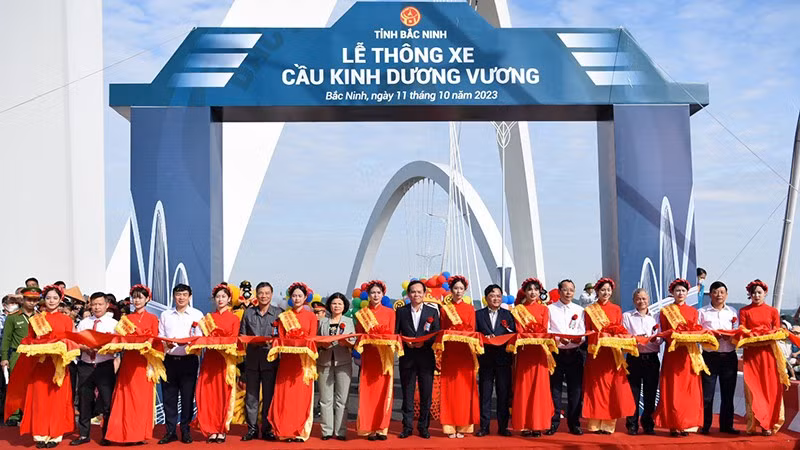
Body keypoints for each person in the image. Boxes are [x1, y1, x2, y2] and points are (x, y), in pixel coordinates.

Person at [16, 285, 75, 447]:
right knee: (40, 401)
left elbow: (71, 341)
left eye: (55, 298)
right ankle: (40, 435)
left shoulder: (66, 320)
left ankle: (55, 435)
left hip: (58, 367)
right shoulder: (36, 319)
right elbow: (29, 340)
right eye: (48, 298)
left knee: (56, 401)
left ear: (60, 299)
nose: (51, 301)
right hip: (40, 366)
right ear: (44, 299)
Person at [105, 284, 162, 445]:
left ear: (147, 299)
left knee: (142, 399)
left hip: (144, 362)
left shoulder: (152, 319)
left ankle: (140, 433)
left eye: (140, 297)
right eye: (135, 297)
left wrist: (146, 344)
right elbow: (119, 339)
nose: (137, 300)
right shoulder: (126, 320)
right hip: (129, 361)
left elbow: (155, 339)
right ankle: (125, 433)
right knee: (127, 397)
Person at [654, 278, 711, 436]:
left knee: (688, 390)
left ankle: (685, 424)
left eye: (683, 291)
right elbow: (663, 333)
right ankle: (673, 424)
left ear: (687, 294)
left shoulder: (694, 312)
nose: (680, 293)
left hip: (689, 356)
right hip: (673, 355)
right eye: (677, 290)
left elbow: (698, 330)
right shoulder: (665, 312)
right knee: (674, 389)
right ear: (672, 293)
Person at [582, 277, 635, 434]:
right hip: (596, 354)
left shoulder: (617, 309)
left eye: (608, 290)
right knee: (596, 388)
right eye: (602, 290)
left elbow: (619, 329)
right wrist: (599, 337)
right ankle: (593, 424)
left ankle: (608, 425)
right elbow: (587, 331)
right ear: (597, 291)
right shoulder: (589, 310)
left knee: (611, 388)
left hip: (612, 354)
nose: (605, 293)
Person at [268, 282, 318, 442]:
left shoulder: (311, 316)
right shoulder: (283, 317)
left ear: (305, 298)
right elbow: (280, 338)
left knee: (301, 397)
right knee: (286, 397)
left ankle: (300, 431)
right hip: (287, 362)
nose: (297, 298)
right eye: (294, 296)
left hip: (303, 364)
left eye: (300, 296)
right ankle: (285, 430)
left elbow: (312, 339)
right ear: (290, 298)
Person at [191, 284, 241, 443]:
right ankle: (211, 429)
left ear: (228, 299)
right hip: (210, 361)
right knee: (209, 396)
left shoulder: (234, 318)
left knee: (223, 395)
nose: (220, 300)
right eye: (218, 297)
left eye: (223, 297)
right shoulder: (207, 319)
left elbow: (235, 341)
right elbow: (199, 337)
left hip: (225, 362)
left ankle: (221, 428)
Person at [738, 280, 786, 436]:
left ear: (765, 293)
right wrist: (751, 335)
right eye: (753, 293)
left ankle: (769, 424)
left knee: (769, 389)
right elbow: (742, 329)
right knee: (753, 389)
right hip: (752, 355)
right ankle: (753, 423)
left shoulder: (772, 311)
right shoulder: (744, 311)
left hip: (768, 354)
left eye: (759, 292)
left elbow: (777, 330)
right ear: (749, 295)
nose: (756, 295)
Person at [71, 292, 119, 446]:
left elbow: (118, 345)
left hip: (104, 365)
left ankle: (107, 434)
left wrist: (104, 347)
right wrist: (85, 347)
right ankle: (84, 435)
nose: (97, 307)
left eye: (100, 304)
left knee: (107, 403)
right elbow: (76, 342)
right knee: (85, 401)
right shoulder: (84, 323)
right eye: (94, 304)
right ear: (90, 305)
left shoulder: (114, 324)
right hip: (85, 365)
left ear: (107, 305)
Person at [158, 283, 204, 444]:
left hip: (189, 361)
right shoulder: (165, 315)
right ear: (173, 296)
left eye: (184, 294)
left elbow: (199, 339)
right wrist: (165, 345)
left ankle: (185, 430)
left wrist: (191, 346)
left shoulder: (197, 315)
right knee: (169, 397)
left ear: (190, 296)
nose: (181, 297)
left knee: (187, 397)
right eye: (178, 294)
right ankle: (170, 431)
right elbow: (161, 336)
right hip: (169, 360)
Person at [353, 280, 398, 440]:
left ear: (383, 294)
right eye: (373, 293)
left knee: (384, 392)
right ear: (368, 295)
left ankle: (382, 428)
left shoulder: (390, 313)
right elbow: (359, 335)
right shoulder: (362, 313)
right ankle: (369, 428)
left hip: (384, 358)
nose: (376, 295)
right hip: (369, 357)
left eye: (378, 293)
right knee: (368, 393)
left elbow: (392, 335)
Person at [396, 279, 440, 439]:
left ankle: (423, 426)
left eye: (419, 292)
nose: (416, 294)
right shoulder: (401, 311)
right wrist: (404, 341)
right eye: (413, 292)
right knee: (407, 393)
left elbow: (436, 333)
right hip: (407, 357)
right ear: (408, 294)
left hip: (426, 357)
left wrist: (424, 342)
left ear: (424, 294)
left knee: (426, 393)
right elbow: (396, 333)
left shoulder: (432, 312)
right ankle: (407, 427)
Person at [437, 275, 480, 438]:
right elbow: (441, 330)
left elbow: (473, 330)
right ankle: (449, 426)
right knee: (450, 389)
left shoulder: (470, 309)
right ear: (451, 290)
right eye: (455, 288)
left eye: (461, 289)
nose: (458, 291)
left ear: (465, 291)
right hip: (450, 353)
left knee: (464, 390)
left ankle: (463, 426)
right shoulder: (444, 309)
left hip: (465, 354)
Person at [510, 277, 553, 437]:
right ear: (525, 292)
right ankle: (524, 425)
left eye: (536, 290)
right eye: (530, 290)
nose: (533, 292)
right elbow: (519, 330)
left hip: (540, 353)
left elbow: (545, 328)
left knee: (539, 388)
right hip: (525, 352)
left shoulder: (544, 309)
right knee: (525, 387)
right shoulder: (518, 310)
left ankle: (538, 424)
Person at [239, 281, 282, 442]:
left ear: (271, 294)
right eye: (261, 293)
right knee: (251, 396)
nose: (264, 296)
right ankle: (251, 429)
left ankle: (267, 429)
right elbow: (242, 335)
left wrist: (274, 342)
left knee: (269, 396)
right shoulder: (248, 313)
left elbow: (283, 337)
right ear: (256, 295)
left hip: (270, 361)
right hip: (251, 360)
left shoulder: (279, 313)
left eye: (267, 293)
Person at [698, 281, 740, 435]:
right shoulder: (702, 312)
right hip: (709, 357)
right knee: (707, 394)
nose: (719, 295)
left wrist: (731, 337)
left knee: (728, 394)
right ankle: (705, 425)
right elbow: (697, 334)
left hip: (729, 356)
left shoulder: (733, 312)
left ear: (726, 294)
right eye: (715, 292)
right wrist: (710, 336)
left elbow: (738, 333)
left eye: (722, 292)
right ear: (710, 294)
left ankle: (727, 426)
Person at [475, 284, 515, 437]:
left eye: (499, 296)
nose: (496, 298)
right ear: (486, 298)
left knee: (503, 394)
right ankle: (484, 427)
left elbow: (513, 333)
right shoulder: (478, 315)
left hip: (503, 359)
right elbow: (475, 333)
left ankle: (503, 427)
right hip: (486, 359)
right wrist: (485, 338)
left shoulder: (508, 315)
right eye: (493, 295)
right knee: (485, 394)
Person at [547, 279, 586, 435]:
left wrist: (578, 338)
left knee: (575, 390)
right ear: (559, 291)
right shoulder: (549, 309)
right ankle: (553, 422)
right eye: (565, 289)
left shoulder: (580, 309)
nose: (568, 293)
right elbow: (547, 329)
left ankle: (574, 423)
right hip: (556, 353)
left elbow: (583, 331)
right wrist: (557, 339)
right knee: (555, 390)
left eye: (571, 290)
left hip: (574, 353)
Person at [621, 289, 660, 435]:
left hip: (651, 358)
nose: (641, 301)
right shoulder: (627, 316)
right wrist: (636, 338)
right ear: (633, 300)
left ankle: (648, 423)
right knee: (633, 393)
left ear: (648, 299)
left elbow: (661, 338)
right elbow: (623, 336)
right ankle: (632, 424)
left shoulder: (656, 316)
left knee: (650, 394)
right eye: (638, 299)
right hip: (634, 358)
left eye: (644, 298)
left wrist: (655, 339)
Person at [316, 293, 354, 440]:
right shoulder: (322, 322)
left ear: (344, 306)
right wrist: (321, 343)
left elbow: (353, 340)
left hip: (343, 361)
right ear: (329, 306)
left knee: (342, 399)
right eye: (334, 303)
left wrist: (347, 343)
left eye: (339, 304)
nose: (336, 306)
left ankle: (340, 431)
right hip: (324, 361)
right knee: (325, 399)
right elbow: (316, 340)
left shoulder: (349, 321)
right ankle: (326, 431)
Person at [1, 290, 37, 426]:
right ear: (22, 300)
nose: (31, 302)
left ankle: (29, 412)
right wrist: (4, 357)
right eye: (28, 299)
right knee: (15, 384)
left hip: (35, 354)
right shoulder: (13, 317)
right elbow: (6, 339)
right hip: (17, 353)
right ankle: (14, 414)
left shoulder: (39, 317)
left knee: (32, 385)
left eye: (34, 300)